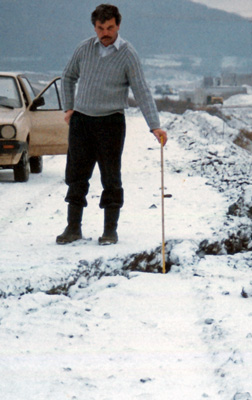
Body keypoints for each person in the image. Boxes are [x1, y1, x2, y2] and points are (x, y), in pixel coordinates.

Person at [57, 4, 168, 245]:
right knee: (76, 176)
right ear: (94, 27)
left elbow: (141, 90)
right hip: (82, 122)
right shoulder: (84, 49)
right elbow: (67, 77)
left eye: (110, 27)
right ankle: (73, 228)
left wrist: (155, 126)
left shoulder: (128, 54)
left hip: (111, 123)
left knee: (111, 177)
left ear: (118, 26)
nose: (105, 32)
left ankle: (110, 230)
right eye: (100, 28)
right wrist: (68, 108)